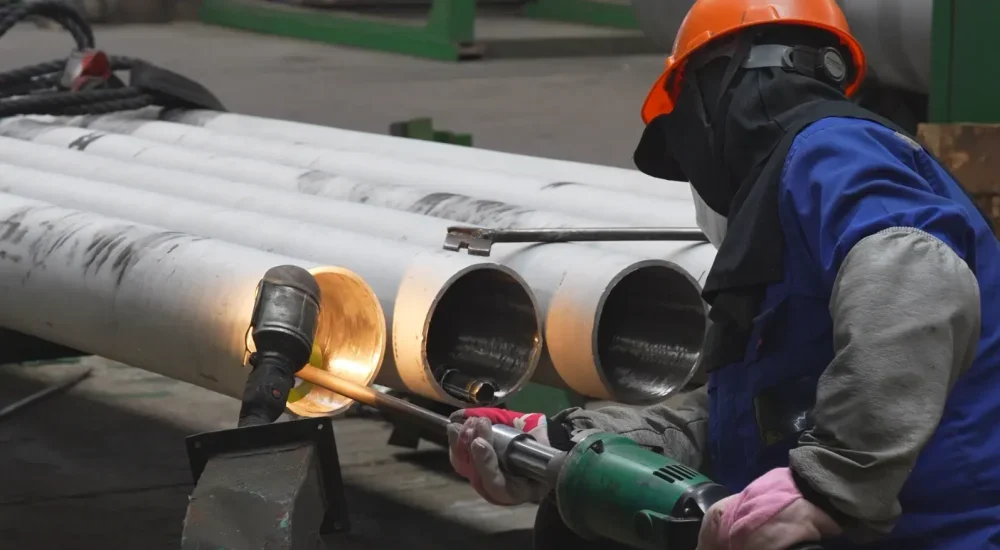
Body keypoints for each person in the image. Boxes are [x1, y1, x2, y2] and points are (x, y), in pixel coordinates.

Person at [446, 1, 1000, 549]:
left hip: (945, 535)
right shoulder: (794, 229)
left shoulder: (831, 151)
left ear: (713, 101)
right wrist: (575, 443)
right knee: (577, 510)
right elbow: (751, 422)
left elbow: (919, 280)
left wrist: (828, 486)